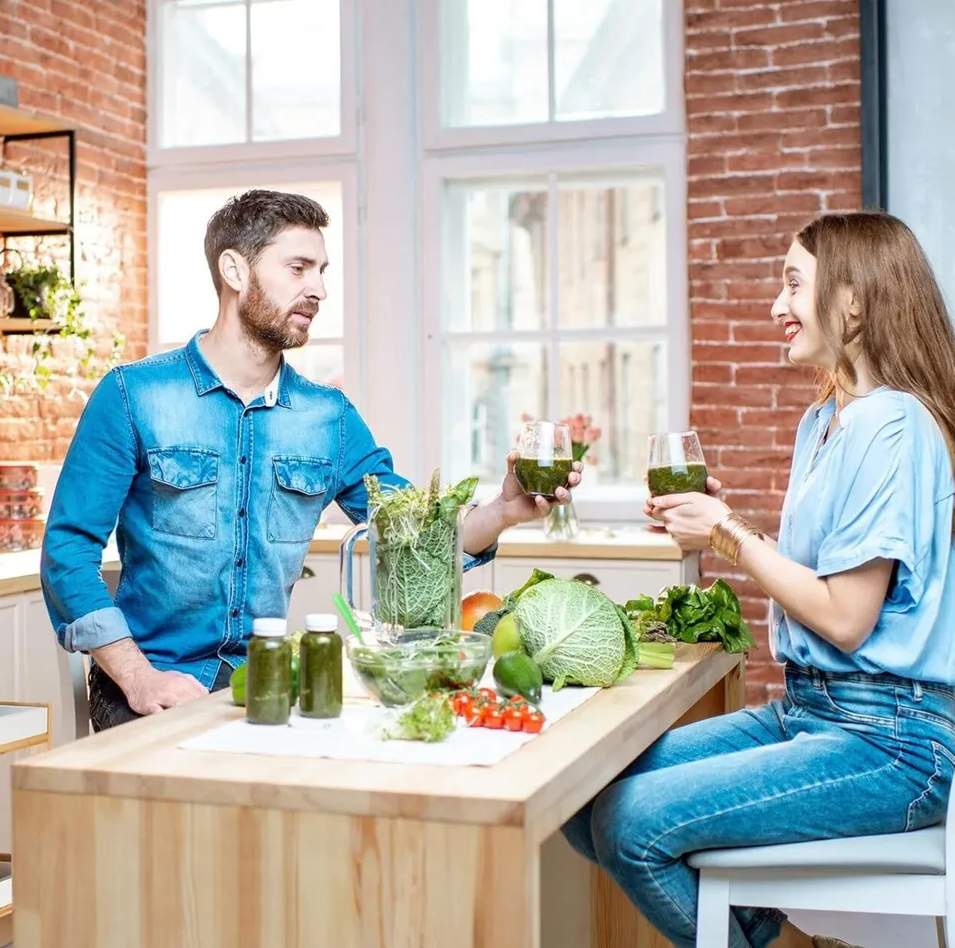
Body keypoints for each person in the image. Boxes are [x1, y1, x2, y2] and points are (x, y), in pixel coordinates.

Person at [563, 211, 955, 948]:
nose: (776, 303)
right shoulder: (829, 418)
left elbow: (850, 618)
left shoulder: (893, 425)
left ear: (852, 303)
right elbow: (821, 586)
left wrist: (732, 534)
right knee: (587, 798)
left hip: (893, 740)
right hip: (817, 712)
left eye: (792, 283)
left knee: (632, 821)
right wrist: (722, 530)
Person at [41, 189, 578, 730]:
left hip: (268, 680)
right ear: (235, 270)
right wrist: (137, 676)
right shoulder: (134, 396)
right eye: (298, 267)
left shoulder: (329, 418)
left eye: (321, 271)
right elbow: (67, 552)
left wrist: (505, 512)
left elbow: (417, 534)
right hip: (150, 684)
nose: (318, 289)